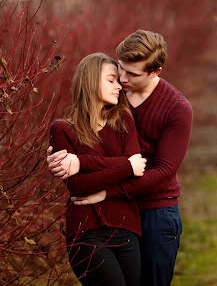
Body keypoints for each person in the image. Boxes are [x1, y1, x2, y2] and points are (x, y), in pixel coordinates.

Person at [47, 30, 193, 286]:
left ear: (155, 71)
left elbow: (161, 172)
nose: (123, 79)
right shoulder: (115, 94)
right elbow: (87, 134)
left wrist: (102, 187)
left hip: (155, 210)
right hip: (115, 214)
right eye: (120, 69)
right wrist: (63, 160)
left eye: (132, 74)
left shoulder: (177, 109)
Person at [49, 53, 147, 286]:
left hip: (126, 228)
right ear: (91, 81)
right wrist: (126, 166)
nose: (119, 87)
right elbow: (77, 186)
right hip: (85, 234)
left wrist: (81, 162)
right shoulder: (62, 129)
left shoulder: (123, 120)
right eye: (111, 80)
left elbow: (138, 172)